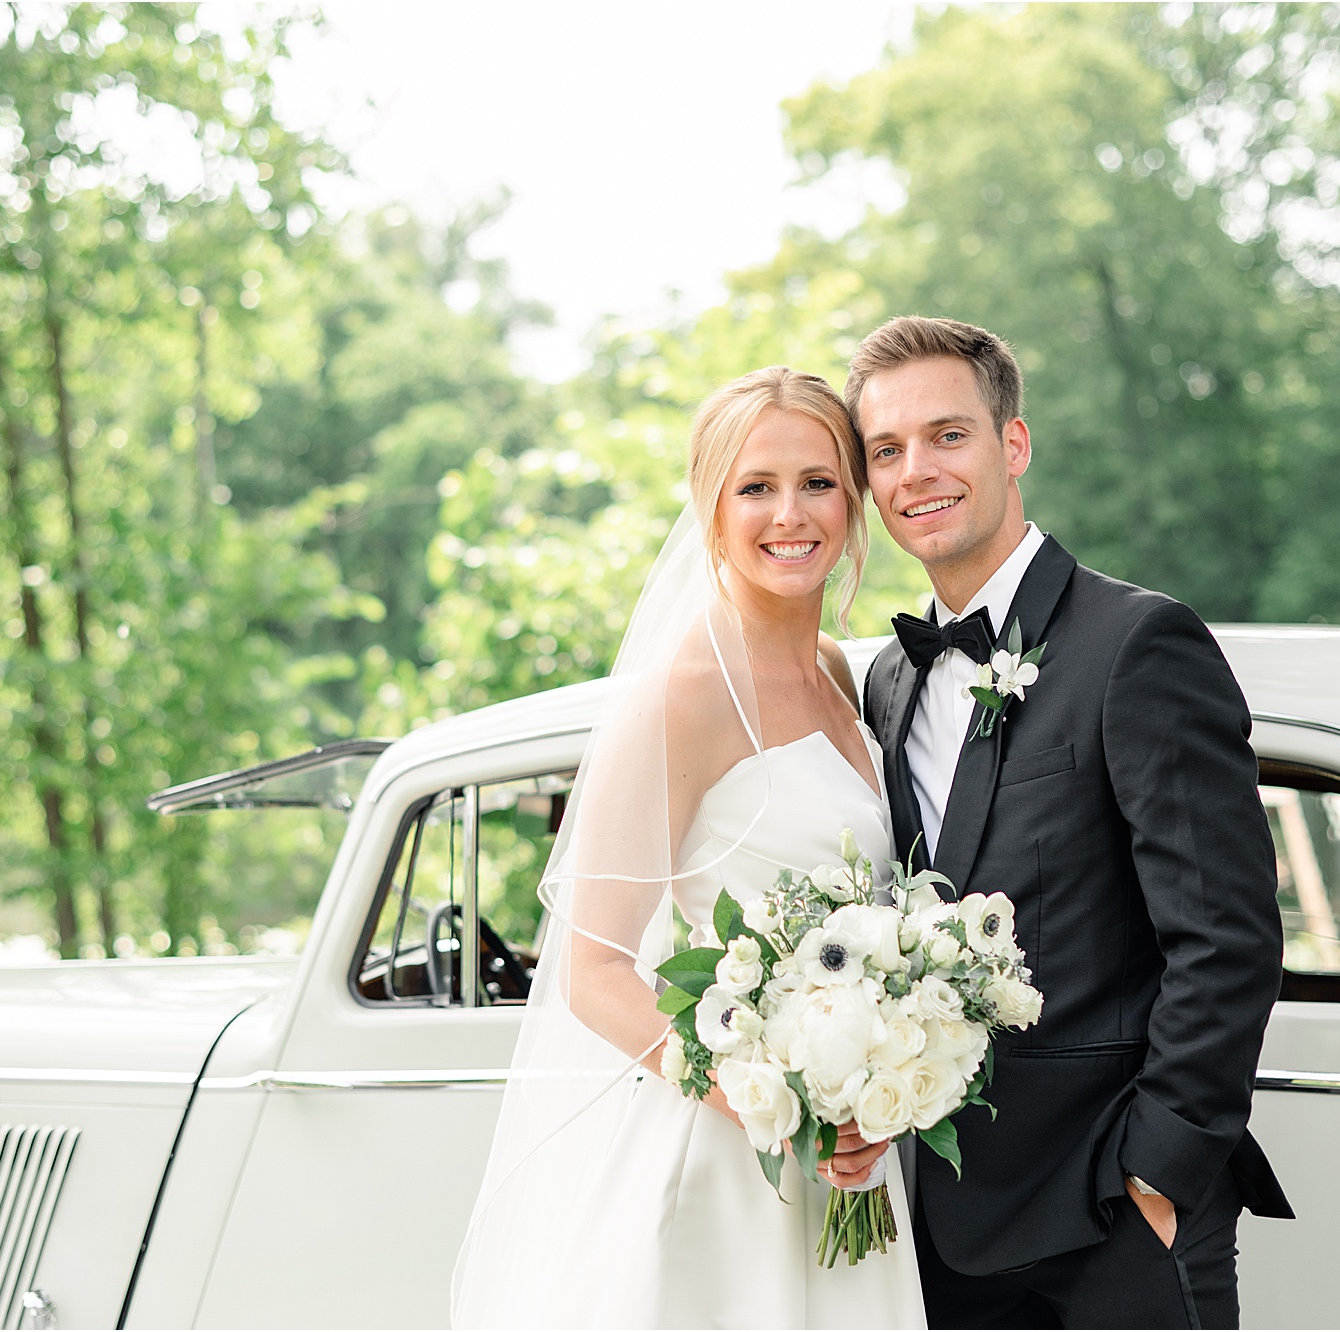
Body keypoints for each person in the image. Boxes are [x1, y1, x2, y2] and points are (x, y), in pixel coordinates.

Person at [450, 367, 927, 1329]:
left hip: (845, 1155)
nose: (790, 514)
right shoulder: (686, 691)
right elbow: (592, 970)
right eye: (755, 487)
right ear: (711, 508)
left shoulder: (838, 669)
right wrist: (771, 1101)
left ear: (854, 501)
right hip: (721, 1156)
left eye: (818, 482)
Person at [851, 316, 1294, 1330]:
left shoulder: (1137, 642)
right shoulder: (886, 680)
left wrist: (1157, 1177)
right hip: (942, 1226)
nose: (916, 470)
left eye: (947, 435)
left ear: (1013, 446)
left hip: (1110, 1215)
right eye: (886, 450)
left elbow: (1226, 937)